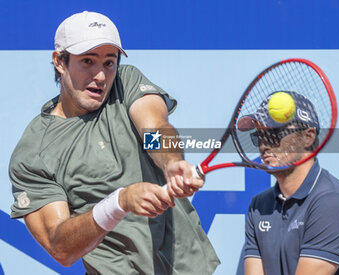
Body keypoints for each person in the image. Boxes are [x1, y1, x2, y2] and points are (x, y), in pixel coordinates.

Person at [9, 11, 220, 274]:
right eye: (88, 61)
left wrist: (171, 162)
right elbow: (60, 246)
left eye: (109, 62)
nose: (100, 76)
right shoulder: (33, 154)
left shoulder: (125, 81)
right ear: (59, 62)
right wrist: (119, 202)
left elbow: (154, 128)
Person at [238, 91, 339, 275]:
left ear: (308, 136)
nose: (264, 145)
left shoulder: (333, 202)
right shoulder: (259, 205)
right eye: (258, 136)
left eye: (274, 133)